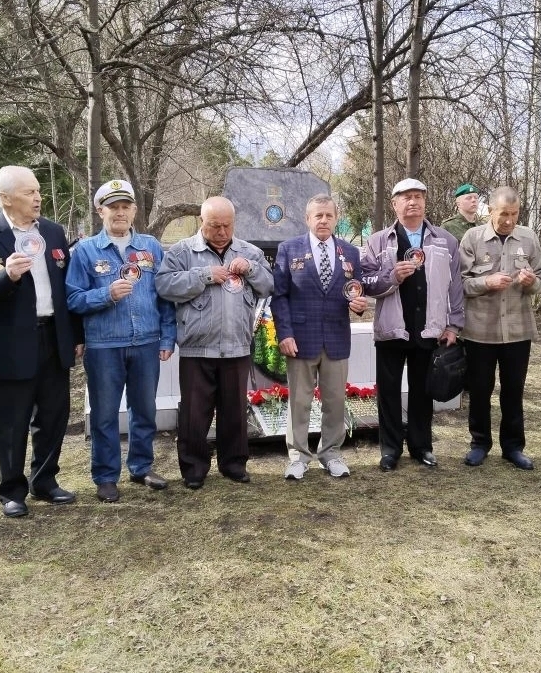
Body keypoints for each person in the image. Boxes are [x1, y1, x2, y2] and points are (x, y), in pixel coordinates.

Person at [0, 165, 83, 517]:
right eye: (30, 191)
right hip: (11, 343)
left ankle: (45, 481)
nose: (38, 197)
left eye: (38, 190)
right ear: (5, 198)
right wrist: (7, 277)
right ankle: (12, 490)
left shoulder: (53, 232)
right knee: (12, 421)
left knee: (53, 416)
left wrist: (74, 335)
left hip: (53, 336)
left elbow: (65, 287)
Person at [66, 179, 177, 503]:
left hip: (145, 342)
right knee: (104, 414)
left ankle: (141, 467)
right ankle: (105, 475)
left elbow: (164, 297)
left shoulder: (151, 248)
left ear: (134, 211)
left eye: (125, 206)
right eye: (113, 207)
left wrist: (167, 336)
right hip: (104, 345)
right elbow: (72, 298)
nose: (119, 212)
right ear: (100, 210)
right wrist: (106, 294)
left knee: (144, 410)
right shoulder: (86, 251)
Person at [155, 196, 273, 489]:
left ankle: (234, 464)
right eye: (214, 226)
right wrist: (204, 275)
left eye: (227, 225)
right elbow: (164, 286)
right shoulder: (182, 251)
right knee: (195, 412)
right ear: (201, 223)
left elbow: (270, 286)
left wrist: (252, 270)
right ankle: (194, 469)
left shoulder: (250, 252)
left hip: (236, 345)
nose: (222, 232)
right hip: (198, 346)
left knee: (234, 410)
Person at [361, 178, 464, 471]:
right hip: (392, 329)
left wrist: (454, 325)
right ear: (394, 204)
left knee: (422, 390)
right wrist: (392, 276)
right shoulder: (378, 240)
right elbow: (367, 283)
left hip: (430, 328)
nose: (412, 202)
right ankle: (390, 449)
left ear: (425, 202)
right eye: (405, 197)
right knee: (389, 391)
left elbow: (455, 286)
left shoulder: (445, 240)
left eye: (418, 196)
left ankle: (421, 447)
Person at [271, 194, 367, 480]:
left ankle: (331, 454)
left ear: (336, 218)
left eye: (328, 215)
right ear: (307, 219)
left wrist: (358, 306)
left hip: (336, 338)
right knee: (299, 401)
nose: (323, 220)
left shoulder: (350, 253)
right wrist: (284, 333)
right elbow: (280, 296)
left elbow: (355, 291)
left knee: (335, 401)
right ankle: (298, 457)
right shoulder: (289, 249)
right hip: (300, 339)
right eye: (318, 216)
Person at [458, 186, 541, 470]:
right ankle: (479, 443)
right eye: (503, 213)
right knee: (480, 391)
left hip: (517, 330)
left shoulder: (528, 238)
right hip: (480, 330)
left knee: (513, 390)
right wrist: (487, 282)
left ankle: (513, 447)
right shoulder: (472, 238)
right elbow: (459, 284)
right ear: (490, 211)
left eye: (514, 214)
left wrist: (532, 282)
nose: (508, 220)